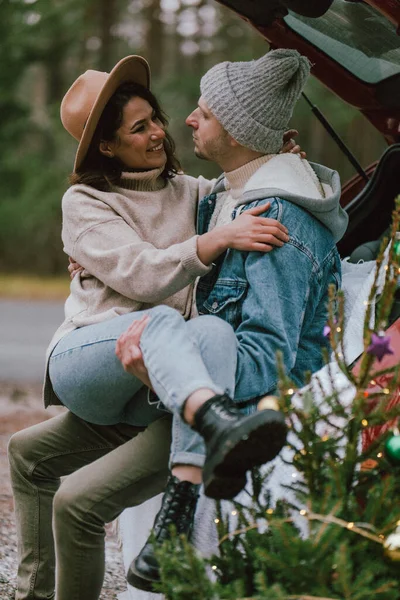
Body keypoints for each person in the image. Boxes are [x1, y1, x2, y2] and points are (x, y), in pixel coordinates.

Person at [7, 54, 292, 600]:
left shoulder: (190, 191)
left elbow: (240, 181)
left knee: (213, 335)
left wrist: (281, 159)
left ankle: (178, 505)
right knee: (163, 318)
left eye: (155, 117)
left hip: (155, 381)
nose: (159, 131)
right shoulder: (85, 201)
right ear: (108, 147)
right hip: (90, 364)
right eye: (140, 128)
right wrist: (212, 242)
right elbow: (140, 274)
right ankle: (214, 420)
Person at [113, 49, 348, 591]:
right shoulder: (227, 201)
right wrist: (98, 259)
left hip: (247, 436)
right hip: (197, 412)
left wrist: (173, 371)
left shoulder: (277, 221)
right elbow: (160, 227)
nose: (189, 120)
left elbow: (273, 361)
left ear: (240, 132)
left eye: (207, 112)